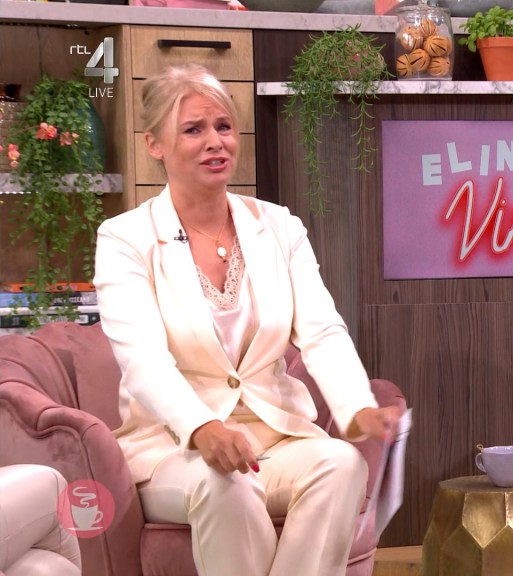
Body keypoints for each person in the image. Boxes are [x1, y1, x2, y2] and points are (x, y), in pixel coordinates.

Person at [93, 64, 402, 576]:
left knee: (341, 464)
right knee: (225, 483)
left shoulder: (279, 226)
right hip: (173, 448)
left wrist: (355, 406)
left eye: (224, 126)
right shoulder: (124, 239)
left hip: (276, 437)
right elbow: (142, 360)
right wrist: (202, 427)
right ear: (155, 144)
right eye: (193, 130)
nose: (215, 142)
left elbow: (322, 331)